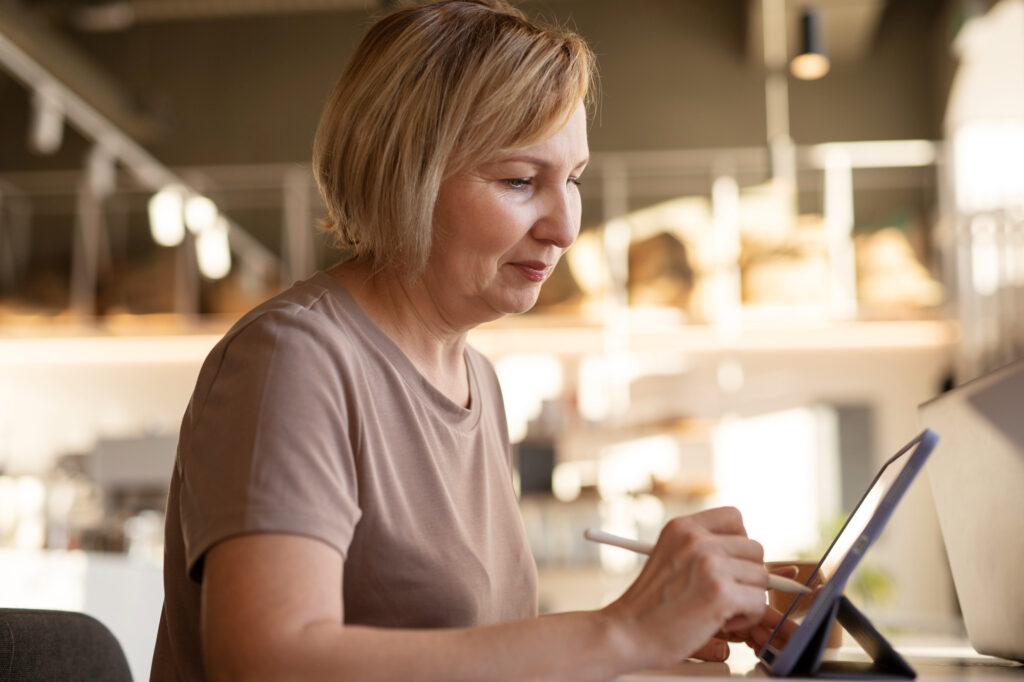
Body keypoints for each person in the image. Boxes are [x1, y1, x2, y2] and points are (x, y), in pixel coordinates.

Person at [150, 1, 795, 680]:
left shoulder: (477, 379)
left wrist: (662, 621)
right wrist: (620, 634)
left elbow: (465, 646)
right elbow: (270, 661)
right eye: (520, 181)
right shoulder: (294, 358)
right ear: (403, 175)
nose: (565, 228)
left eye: (572, 180)